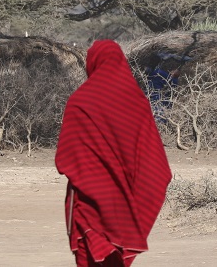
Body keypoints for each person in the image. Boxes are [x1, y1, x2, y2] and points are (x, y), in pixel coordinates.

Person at [55, 39, 172, 267]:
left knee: (91, 256)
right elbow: (153, 160)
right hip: (127, 199)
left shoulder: (80, 101)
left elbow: (66, 158)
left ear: (93, 63)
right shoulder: (137, 102)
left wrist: (88, 175)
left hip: (89, 198)